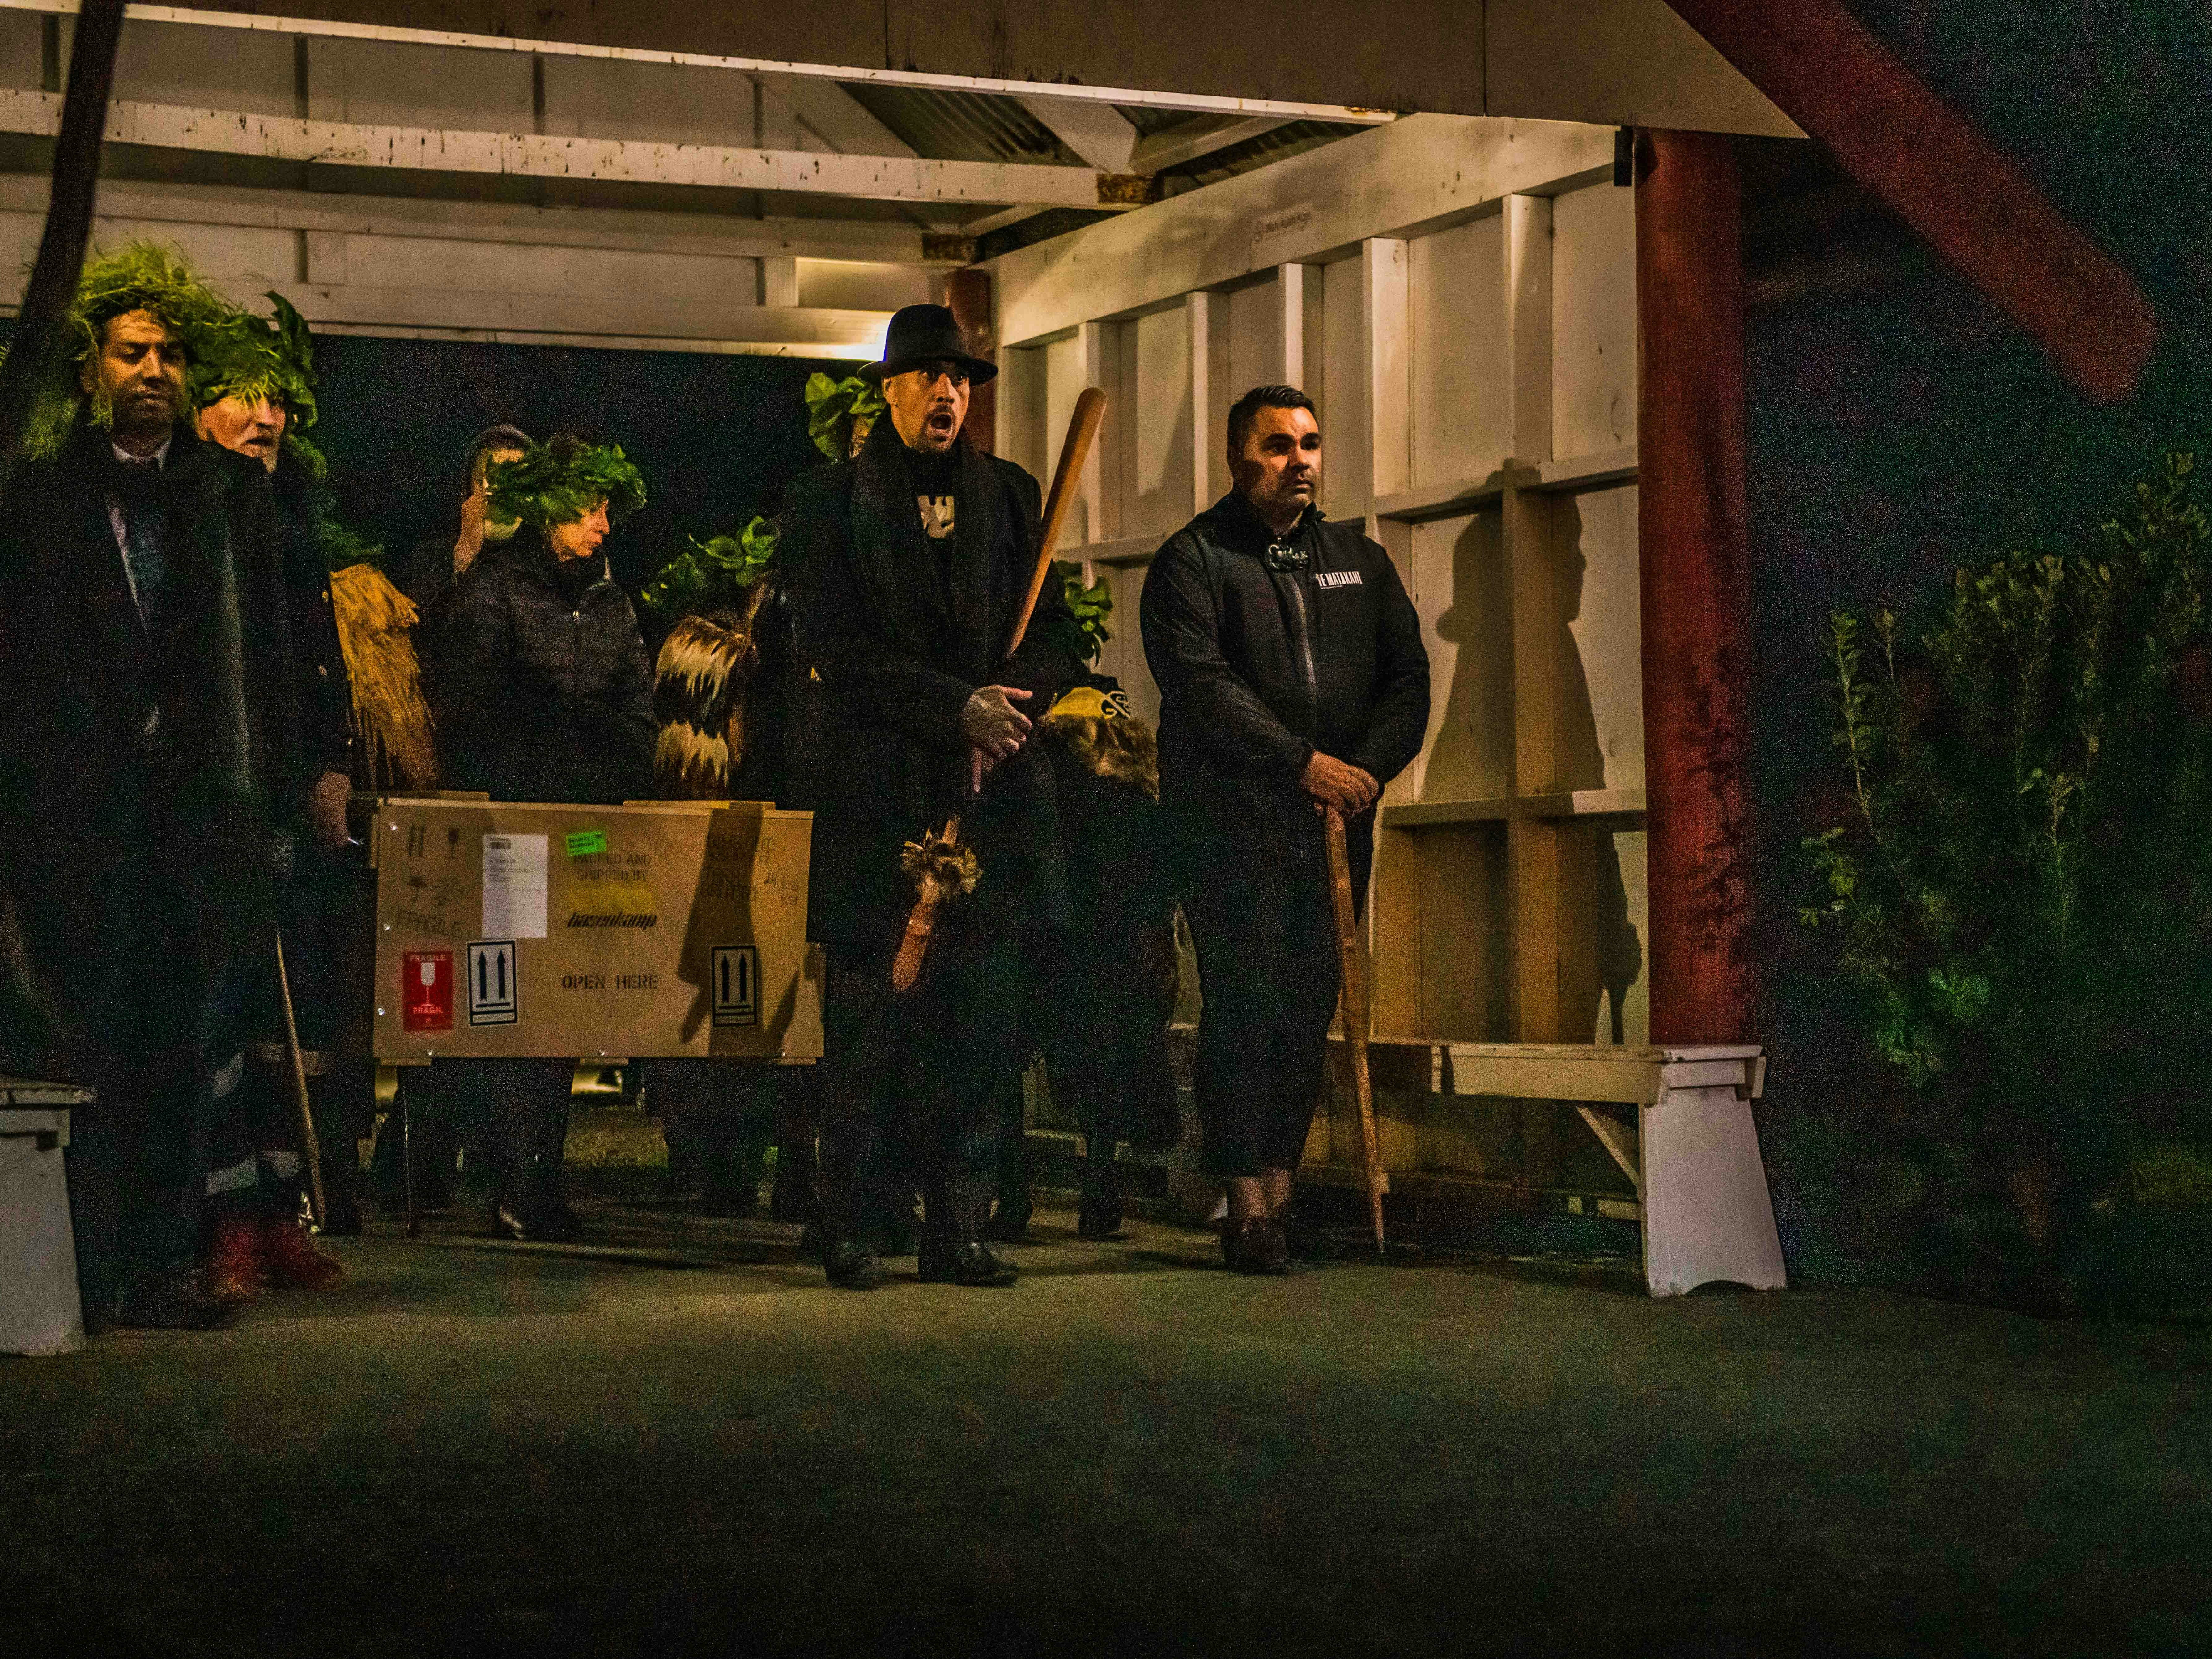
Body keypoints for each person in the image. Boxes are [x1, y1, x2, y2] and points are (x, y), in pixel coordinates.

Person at [0, 245, 310, 1329]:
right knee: (89, 1042)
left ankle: (158, 1262)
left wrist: (274, 792)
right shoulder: (44, 494)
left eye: (172, 354)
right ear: (94, 367)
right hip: (78, 817)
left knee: (183, 1043)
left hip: (194, 811)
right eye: (134, 351)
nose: (154, 369)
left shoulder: (226, 494)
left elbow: (264, 652)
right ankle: (82, 1264)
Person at [783, 303, 1081, 1289]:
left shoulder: (1008, 496)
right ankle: (854, 1221)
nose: (949, 392)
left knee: (983, 1022)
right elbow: (835, 650)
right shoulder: (828, 503)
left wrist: (1010, 708)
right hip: (883, 792)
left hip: (995, 798)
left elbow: (1049, 637)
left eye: (962, 378)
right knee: (870, 1024)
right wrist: (955, 708)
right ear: (891, 390)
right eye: (929, 376)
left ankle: (959, 1224)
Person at [1141, 384, 1430, 1274]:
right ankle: (1242, 1199)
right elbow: (1200, 684)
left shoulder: (1357, 560)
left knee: (1309, 1005)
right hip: (1232, 821)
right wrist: (1300, 762)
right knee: (1245, 1003)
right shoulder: (1193, 560)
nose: (1297, 459)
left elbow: (1405, 678)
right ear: (1239, 459)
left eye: (1308, 442)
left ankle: (1280, 1182)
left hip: (1335, 819)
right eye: (1276, 445)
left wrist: (1364, 773)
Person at [424, 434, 654, 1240]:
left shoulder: (614, 604)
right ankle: (508, 1176)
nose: (602, 524)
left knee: (569, 1001)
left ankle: (539, 1177)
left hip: (589, 833)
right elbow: (478, 712)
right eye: (590, 507)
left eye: (608, 510)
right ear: (552, 506)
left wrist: (566, 719)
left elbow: (640, 726)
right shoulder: (494, 588)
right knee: (511, 1000)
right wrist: (575, 728)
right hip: (512, 833)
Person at [187, 293, 357, 1292]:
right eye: (243, 395)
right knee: (222, 1007)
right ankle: (225, 1219)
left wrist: (331, 759)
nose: (265, 415)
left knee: (282, 1008)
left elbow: (315, 648)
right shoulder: (195, 502)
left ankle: (280, 1208)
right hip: (220, 793)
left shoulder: (288, 502)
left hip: (286, 791)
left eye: (280, 398)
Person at [394, 423, 532, 622]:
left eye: (517, 481)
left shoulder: (543, 566)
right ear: (469, 487)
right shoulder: (433, 558)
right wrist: (466, 552)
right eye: (488, 479)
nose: (500, 494)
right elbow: (419, 625)